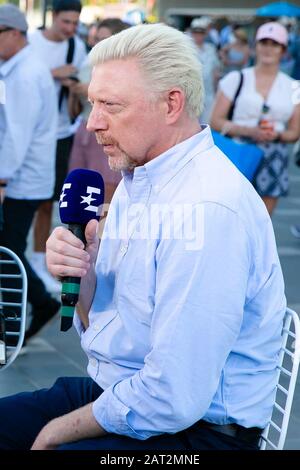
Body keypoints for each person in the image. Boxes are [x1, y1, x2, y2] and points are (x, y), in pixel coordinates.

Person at [0, 23, 286, 451]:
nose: (92, 124)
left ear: (172, 103)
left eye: (111, 105)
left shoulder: (206, 211)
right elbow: (116, 327)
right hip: (124, 390)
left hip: (197, 432)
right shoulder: (142, 177)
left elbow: (174, 396)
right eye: (92, 102)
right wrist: (84, 273)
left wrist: (56, 432)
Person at [0, 5, 60, 341]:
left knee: (8, 251)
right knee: (9, 249)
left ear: (13, 34)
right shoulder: (16, 69)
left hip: (20, 180)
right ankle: (31, 306)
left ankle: (24, 313)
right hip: (20, 177)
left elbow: (16, 135)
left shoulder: (25, 74)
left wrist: (1, 178)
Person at [210, 22, 300, 216]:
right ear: (255, 46)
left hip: (274, 156)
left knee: (262, 222)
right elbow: (215, 120)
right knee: (230, 215)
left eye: (274, 44)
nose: (268, 48)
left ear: (283, 50)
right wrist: (249, 131)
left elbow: (294, 132)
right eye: (264, 42)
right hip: (238, 151)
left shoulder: (294, 87)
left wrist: (276, 134)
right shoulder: (236, 79)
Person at [29, 0, 87, 293]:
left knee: (48, 201)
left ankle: (38, 259)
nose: (70, 28)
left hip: (62, 130)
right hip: (28, 131)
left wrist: (73, 83)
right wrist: (54, 74)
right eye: (66, 22)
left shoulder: (75, 46)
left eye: (75, 23)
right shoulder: (28, 41)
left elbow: (80, 81)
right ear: (52, 17)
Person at [67, 19, 129, 203]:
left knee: (106, 191)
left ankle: (103, 231)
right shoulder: (88, 65)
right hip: (83, 129)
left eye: (104, 39)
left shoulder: (125, 69)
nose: (96, 44)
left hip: (108, 132)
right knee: (77, 190)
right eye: (96, 39)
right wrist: (73, 90)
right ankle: (79, 232)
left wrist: (85, 89)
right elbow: (74, 110)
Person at [189, 17, 220, 124]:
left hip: (209, 92)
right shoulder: (188, 48)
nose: (198, 36)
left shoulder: (210, 48)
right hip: (193, 92)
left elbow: (215, 70)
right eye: (196, 33)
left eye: (201, 33)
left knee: (208, 122)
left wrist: (216, 90)